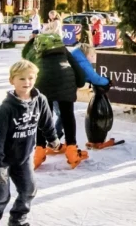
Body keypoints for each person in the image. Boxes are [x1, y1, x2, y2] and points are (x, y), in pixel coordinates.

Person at [0, 59, 60, 226]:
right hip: (2, 160)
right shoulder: (7, 108)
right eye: (22, 79)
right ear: (12, 81)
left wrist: (53, 138)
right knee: (1, 197)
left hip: (23, 158)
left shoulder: (40, 100)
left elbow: (46, 122)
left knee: (29, 189)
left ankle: (18, 222)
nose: (27, 82)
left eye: (30, 78)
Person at [24, 32, 89, 169]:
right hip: (66, 81)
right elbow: (77, 70)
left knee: (43, 117)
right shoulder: (63, 50)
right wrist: (79, 82)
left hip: (42, 83)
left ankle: (39, 151)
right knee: (67, 115)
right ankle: (72, 151)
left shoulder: (35, 51)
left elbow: (26, 64)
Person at [70, 43, 115, 149]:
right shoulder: (82, 62)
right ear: (86, 54)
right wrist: (107, 81)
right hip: (63, 91)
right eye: (92, 56)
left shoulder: (76, 59)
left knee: (63, 116)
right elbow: (94, 78)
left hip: (62, 89)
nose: (93, 58)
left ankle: (56, 141)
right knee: (64, 116)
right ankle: (57, 142)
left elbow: (87, 77)